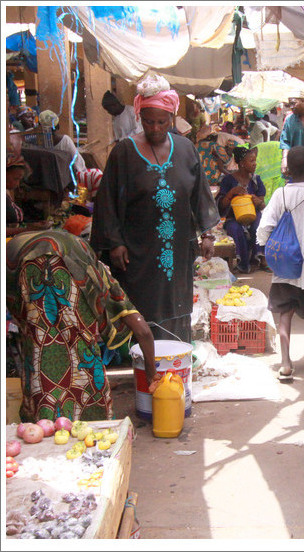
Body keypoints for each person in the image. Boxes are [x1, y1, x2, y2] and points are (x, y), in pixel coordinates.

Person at [90, 75, 220, 343]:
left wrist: (207, 233)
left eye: (162, 122)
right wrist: (114, 242)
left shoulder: (186, 149)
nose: (155, 127)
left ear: (171, 119)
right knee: (140, 306)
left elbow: (199, 194)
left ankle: (174, 363)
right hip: (137, 251)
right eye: (148, 121)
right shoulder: (123, 153)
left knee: (176, 305)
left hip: (177, 248)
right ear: (139, 116)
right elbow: (108, 201)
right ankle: (143, 366)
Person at [6, 230, 159, 422]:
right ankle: (92, 420)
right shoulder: (99, 278)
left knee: (39, 343)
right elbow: (142, 329)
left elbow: (14, 306)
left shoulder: (91, 267)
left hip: (25, 267)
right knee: (80, 343)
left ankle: (45, 421)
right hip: (54, 264)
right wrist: (151, 373)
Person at [256, 146, 304, 381]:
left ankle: (286, 363)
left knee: (284, 313)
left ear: (287, 170)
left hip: (283, 267)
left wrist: (267, 250)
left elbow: (264, 228)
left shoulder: (280, 194)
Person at [215, 145, 267, 274]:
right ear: (242, 164)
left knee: (258, 225)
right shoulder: (228, 180)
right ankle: (243, 263)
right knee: (234, 228)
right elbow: (221, 205)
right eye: (252, 161)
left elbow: (262, 205)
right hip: (233, 216)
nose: (255, 164)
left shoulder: (256, 180)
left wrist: (258, 202)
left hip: (253, 215)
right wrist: (231, 193)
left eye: (255, 160)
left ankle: (257, 259)